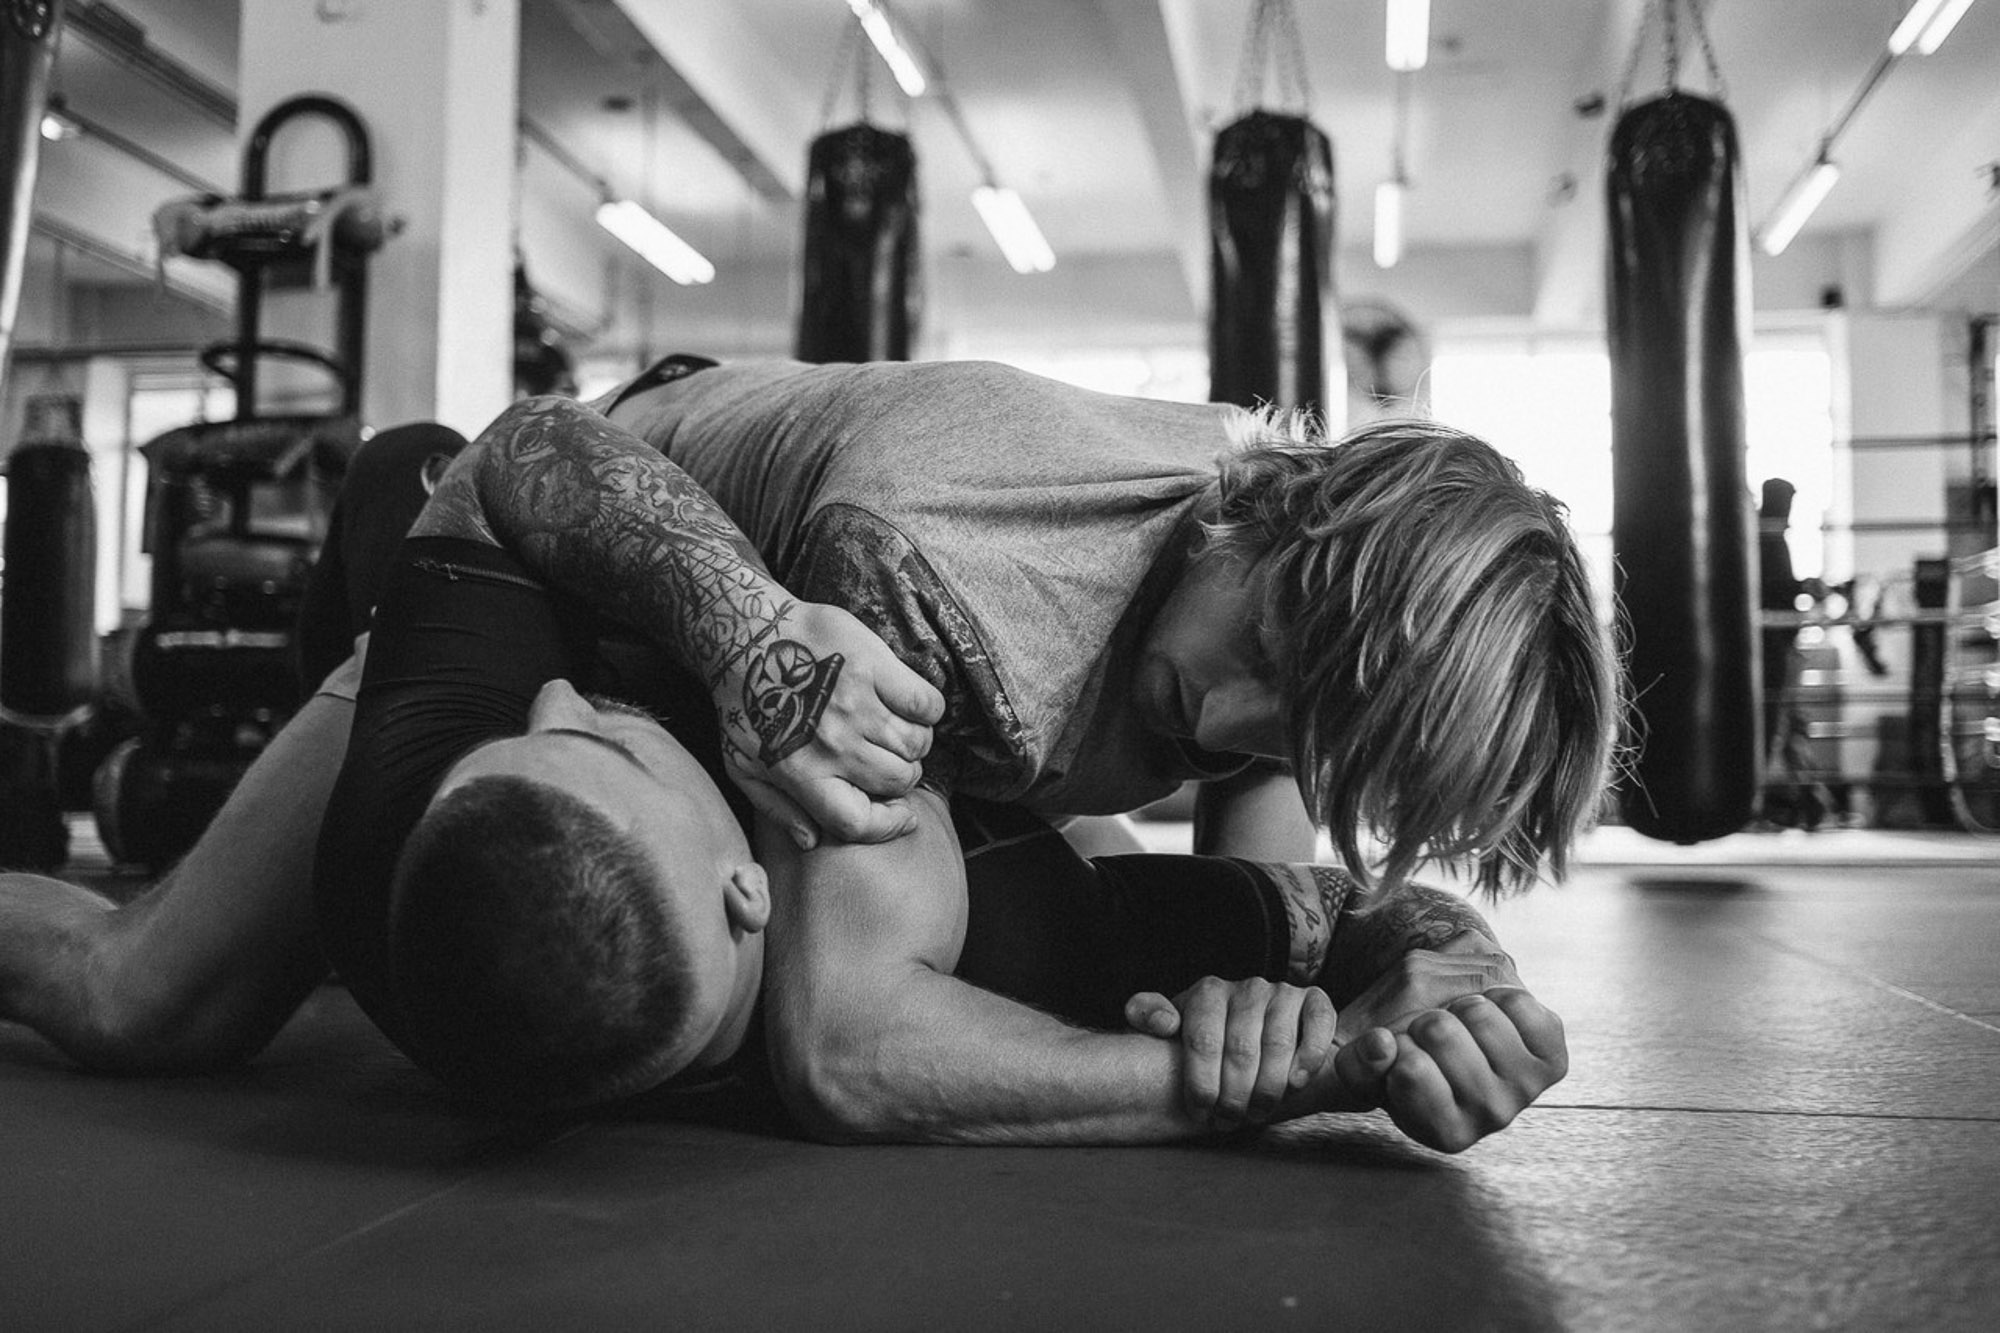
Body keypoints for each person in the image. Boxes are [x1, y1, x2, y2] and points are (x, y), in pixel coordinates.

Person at [1, 401, 1578, 1151]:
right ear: (1270, 510)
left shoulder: (1261, 628)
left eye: (1294, 729)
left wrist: (1426, 965)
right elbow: (850, 1049)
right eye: (1272, 646)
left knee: (1034, 924)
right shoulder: (948, 575)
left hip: (775, 590)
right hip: (555, 572)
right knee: (150, 1002)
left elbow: (1282, 891)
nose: (1226, 714)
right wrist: (1266, 1078)